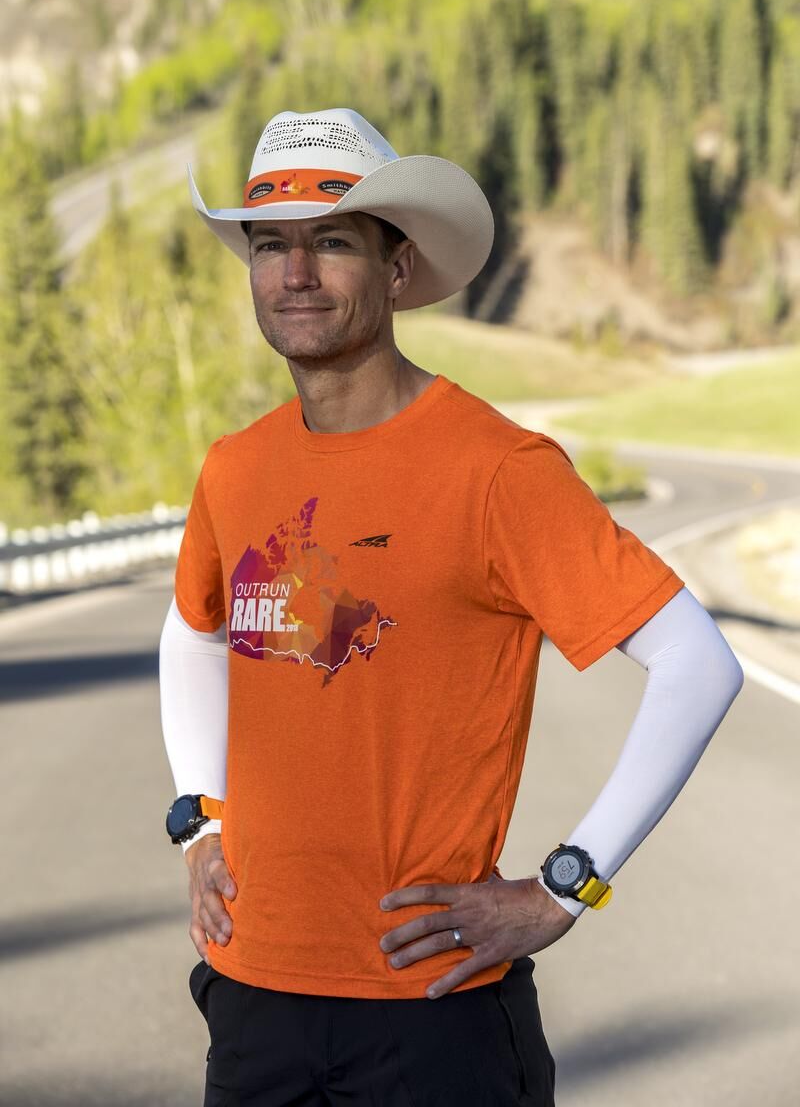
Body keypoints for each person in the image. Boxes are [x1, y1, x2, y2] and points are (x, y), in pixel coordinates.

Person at [159, 107, 744, 1106]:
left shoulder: (496, 471)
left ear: (395, 270)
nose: (293, 274)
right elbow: (193, 628)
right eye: (270, 246)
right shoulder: (235, 468)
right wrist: (196, 817)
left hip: (428, 1015)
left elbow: (699, 665)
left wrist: (566, 886)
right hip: (253, 996)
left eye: (330, 241)